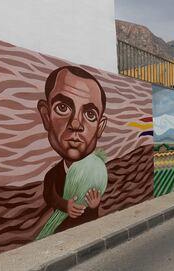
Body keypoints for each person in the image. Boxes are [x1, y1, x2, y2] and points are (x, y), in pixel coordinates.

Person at [37, 66, 108, 232]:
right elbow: (50, 196)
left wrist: (94, 204)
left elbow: (93, 211)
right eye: (63, 108)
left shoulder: (96, 173)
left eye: (90, 114)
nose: (76, 124)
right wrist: (64, 205)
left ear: (100, 127)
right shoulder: (53, 175)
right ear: (46, 116)